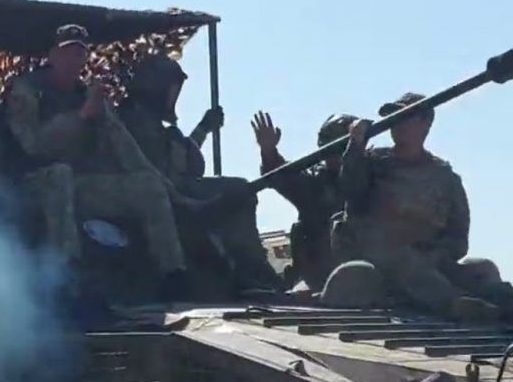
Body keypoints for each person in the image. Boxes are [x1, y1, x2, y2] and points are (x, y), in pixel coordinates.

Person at [4, 24, 187, 288]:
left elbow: (124, 146)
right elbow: (33, 145)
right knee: (60, 175)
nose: (74, 60)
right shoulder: (27, 91)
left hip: (79, 184)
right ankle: (67, 274)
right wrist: (80, 117)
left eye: (80, 54)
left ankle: (173, 274)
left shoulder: (86, 94)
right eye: (67, 52)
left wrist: (164, 185)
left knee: (148, 186)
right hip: (32, 183)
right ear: (53, 55)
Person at [334, 92, 504, 321]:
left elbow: (458, 237)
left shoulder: (445, 177)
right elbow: (350, 191)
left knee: (481, 270)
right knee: (407, 261)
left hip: (431, 261)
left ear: (425, 124)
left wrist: (436, 253)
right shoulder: (372, 163)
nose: (396, 123)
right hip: (379, 260)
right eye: (392, 117)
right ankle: (455, 304)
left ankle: (502, 303)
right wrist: (355, 146)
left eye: (404, 116)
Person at [118, 53, 281, 292]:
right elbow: (159, 169)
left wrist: (204, 128)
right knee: (239, 190)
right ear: (156, 88)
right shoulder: (132, 123)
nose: (174, 96)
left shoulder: (149, 123)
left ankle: (248, 269)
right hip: (161, 196)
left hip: (174, 190)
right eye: (172, 89)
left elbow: (181, 161)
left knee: (239, 190)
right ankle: (249, 269)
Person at [253, 112, 357, 291]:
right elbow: (284, 178)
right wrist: (269, 151)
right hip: (319, 278)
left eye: (339, 146)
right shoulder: (317, 182)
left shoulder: (374, 172)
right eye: (327, 145)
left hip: (368, 272)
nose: (332, 155)